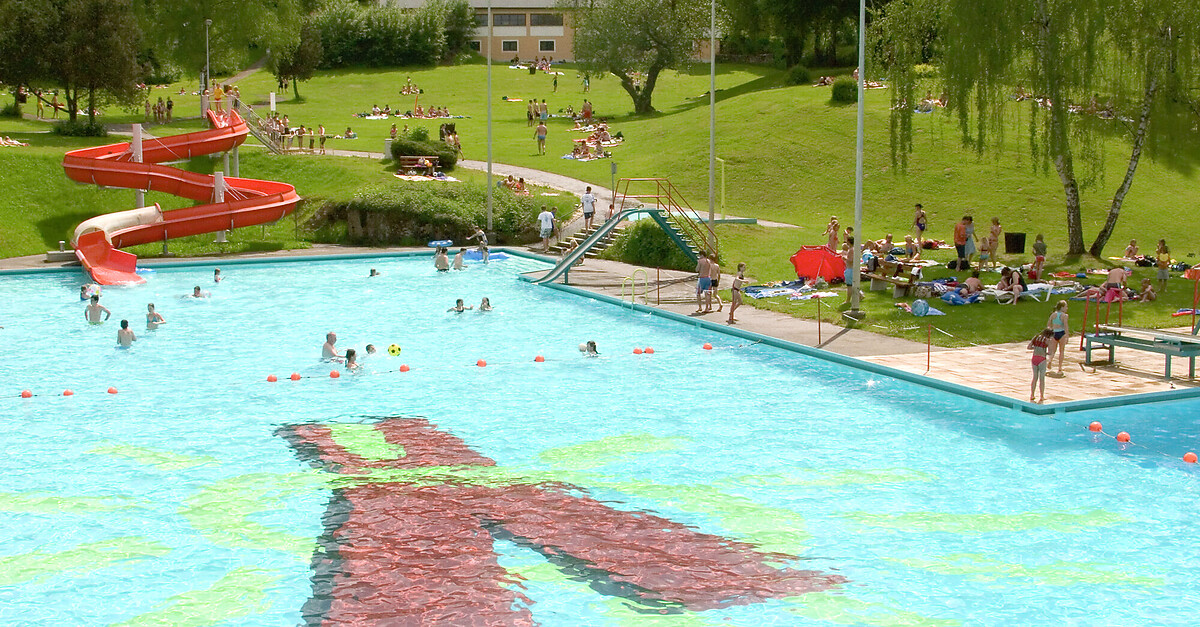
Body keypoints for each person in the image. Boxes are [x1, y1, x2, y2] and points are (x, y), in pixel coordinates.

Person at [1028, 329, 1054, 403]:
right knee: (1041, 378)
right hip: (1042, 359)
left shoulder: (1036, 337)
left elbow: (1029, 347)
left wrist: (1036, 348)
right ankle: (1041, 396)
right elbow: (1050, 352)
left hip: (1034, 358)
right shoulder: (1048, 340)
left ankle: (1032, 395)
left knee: (1034, 377)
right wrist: (1044, 352)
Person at [1046, 300, 1071, 376]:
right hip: (1061, 333)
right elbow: (1066, 326)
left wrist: (1050, 332)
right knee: (1061, 351)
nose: (1067, 308)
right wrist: (1067, 336)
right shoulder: (1064, 316)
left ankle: (1050, 361)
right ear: (1062, 307)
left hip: (1054, 333)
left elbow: (1048, 324)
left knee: (1053, 351)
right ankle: (1060, 368)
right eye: (1066, 306)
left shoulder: (1053, 315)